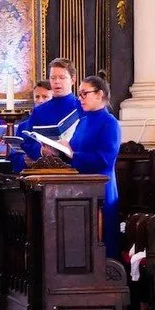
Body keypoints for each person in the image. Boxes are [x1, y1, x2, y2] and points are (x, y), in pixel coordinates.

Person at [61, 75, 122, 259]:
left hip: (101, 189)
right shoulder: (84, 121)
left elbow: (105, 159)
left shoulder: (109, 123)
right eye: (79, 94)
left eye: (84, 94)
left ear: (99, 94)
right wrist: (57, 152)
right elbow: (72, 150)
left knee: (102, 241)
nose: (80, 98)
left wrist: (72, 155)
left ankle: (106, 275)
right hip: (80, 188)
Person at [20, 58, 81, 162]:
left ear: (73, 80)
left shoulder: (82, 106)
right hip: (46, 170)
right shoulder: (39, 111)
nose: (57, 82)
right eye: (53, 78)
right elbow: (27, 142)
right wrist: (41, 150)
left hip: (78, 168)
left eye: (62, 78)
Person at [9, 80, 53, 172]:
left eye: (45, 97)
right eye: (37, 97)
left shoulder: (57, 123)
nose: (40, 100)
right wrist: (24, 160)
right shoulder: (23, 126)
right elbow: (14, 155)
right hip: (29, 176)